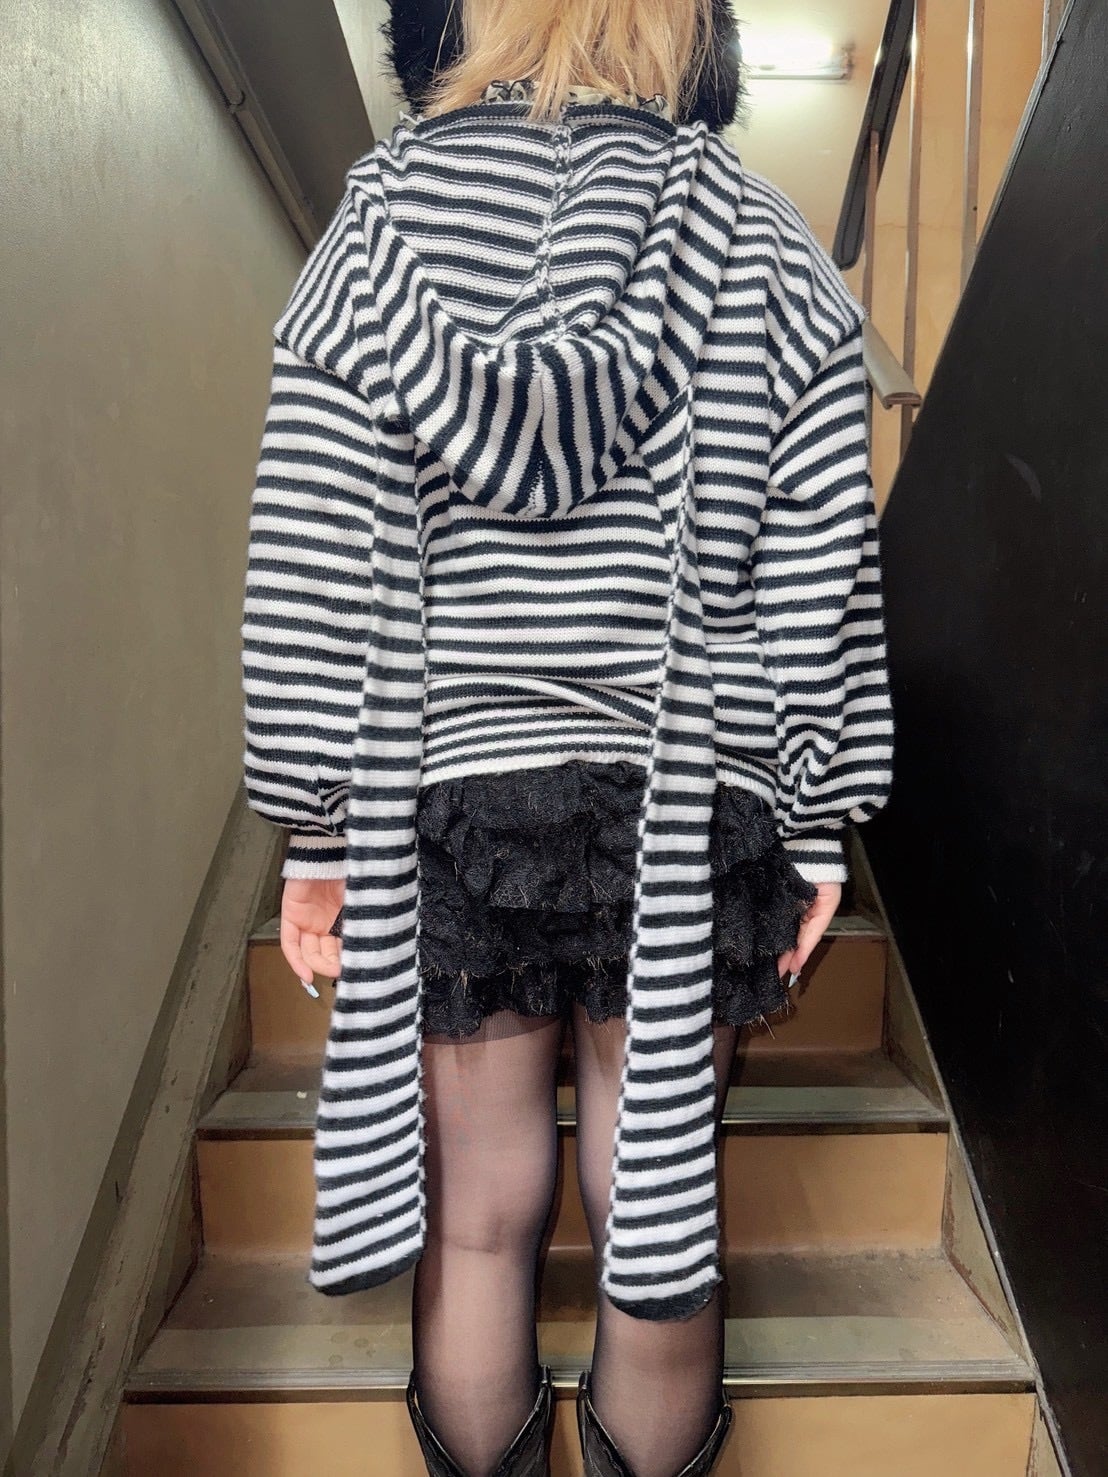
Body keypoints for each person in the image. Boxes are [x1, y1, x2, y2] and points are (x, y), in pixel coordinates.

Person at [239, 1, 895, 1473]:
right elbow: (819, 567)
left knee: (478, 1211)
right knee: (654, 1192)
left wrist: (316, 822)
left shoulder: (378, 233)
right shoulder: (762, 238)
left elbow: (309, 553)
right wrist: (814, 810)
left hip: (458, 786)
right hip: (690, 784)